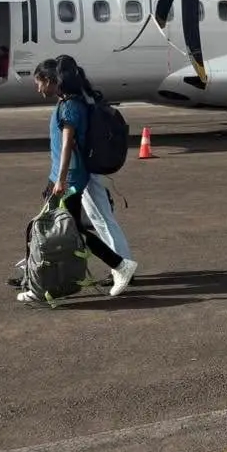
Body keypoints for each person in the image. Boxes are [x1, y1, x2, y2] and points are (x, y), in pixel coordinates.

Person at [25, 55, 139, 300]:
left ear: (49, 80)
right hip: (65, 178)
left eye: (39, 82)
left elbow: (67, 146)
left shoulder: (70, 107)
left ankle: (119, 265)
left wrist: (61, 180)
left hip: (71, 180)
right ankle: (36, 276)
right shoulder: (70, 103)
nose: (37, 88)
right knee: (50, 228)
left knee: (67, 231)